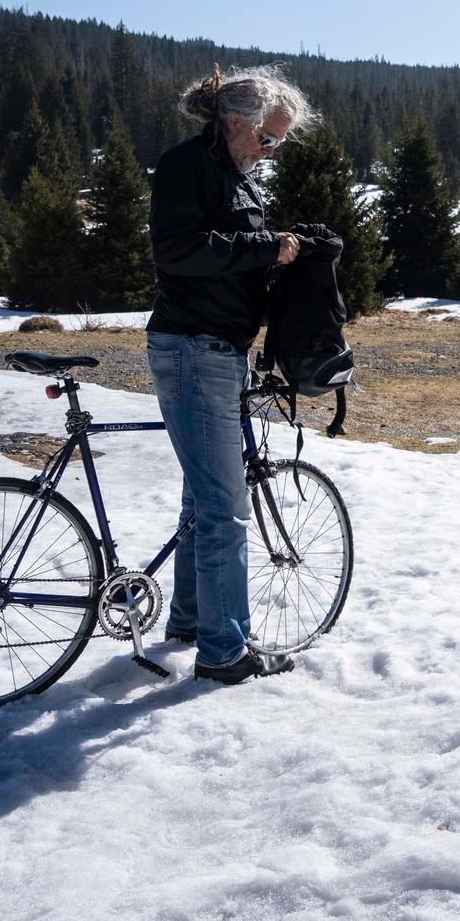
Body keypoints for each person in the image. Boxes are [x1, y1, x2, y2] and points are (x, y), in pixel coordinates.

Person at [147, 63, 314, 683]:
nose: (271, 153)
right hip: (193, 348)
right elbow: (179, 251)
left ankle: (190, 620)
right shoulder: (187, 166)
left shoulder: (234, 176)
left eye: (280, 144)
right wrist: (264, 248)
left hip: (218, 349)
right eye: (267, 140)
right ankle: (224, 651)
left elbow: (233, 255)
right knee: (224, 507)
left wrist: (289, 254)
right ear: (236, 123)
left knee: (203, 495)